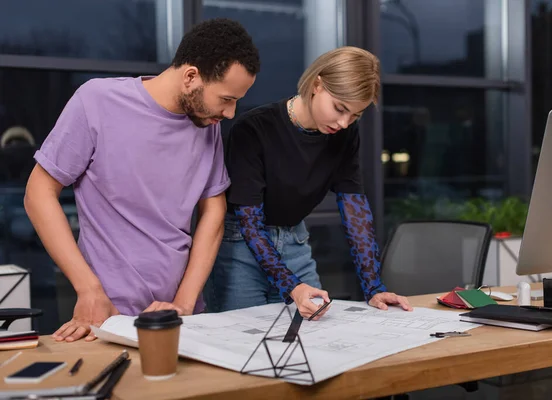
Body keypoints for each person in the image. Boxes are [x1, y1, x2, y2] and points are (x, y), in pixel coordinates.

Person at [24, 18, 260, 342]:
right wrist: (88, 289)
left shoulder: (207, 123)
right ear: (191, 76)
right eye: (226, 99)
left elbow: (214, 212)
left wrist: (184, 304)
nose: (231, 113)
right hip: (108, 318)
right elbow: (38, 192)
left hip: (179, 318)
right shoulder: (96, 101)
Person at [206, 46, 412, 319]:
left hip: (295, 243)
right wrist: (291, 285)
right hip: (241, 247)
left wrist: (373, 287)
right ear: (317, 84)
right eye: (339, 108)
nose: (343, 122)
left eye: (355, 115)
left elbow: (354, 209)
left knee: (315, 339)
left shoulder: (345, 134)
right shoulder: (253, 129)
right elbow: (250, 225)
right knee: (241, 344)